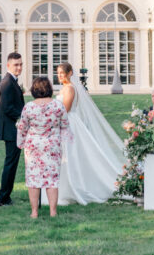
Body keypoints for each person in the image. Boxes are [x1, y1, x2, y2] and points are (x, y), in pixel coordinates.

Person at [54, 61, 124, 204]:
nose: (60, 76)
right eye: (58, 73)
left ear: (70, 73)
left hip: (69, 122)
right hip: (66, 122)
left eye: (62, 73)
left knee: (70, 155)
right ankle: (64, 188)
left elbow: (65, 109)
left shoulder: (69, 89)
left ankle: (72, 187)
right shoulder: (66, 88)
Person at [16, 75, 72, 218]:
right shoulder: (58, 106)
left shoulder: (28, 107)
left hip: (33, 146)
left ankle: (34, 212)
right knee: (52, 180)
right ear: (49, 89)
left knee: (33, 179)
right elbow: (65, 125)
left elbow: (22, 127)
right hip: (52, 145)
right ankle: (53, 212)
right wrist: (65, 142)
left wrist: (20, 143)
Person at [0, 51, 24, 206]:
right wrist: (25, 116)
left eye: (20, 64)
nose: (19, 67)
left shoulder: (12, 81)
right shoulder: (7, 83)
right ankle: (4, 198)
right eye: (16, 65)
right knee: (10, 164)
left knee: (11, 163)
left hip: (12, 129)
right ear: (8, 65)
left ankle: (6, 196)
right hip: (11, 130)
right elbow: (8, 108)